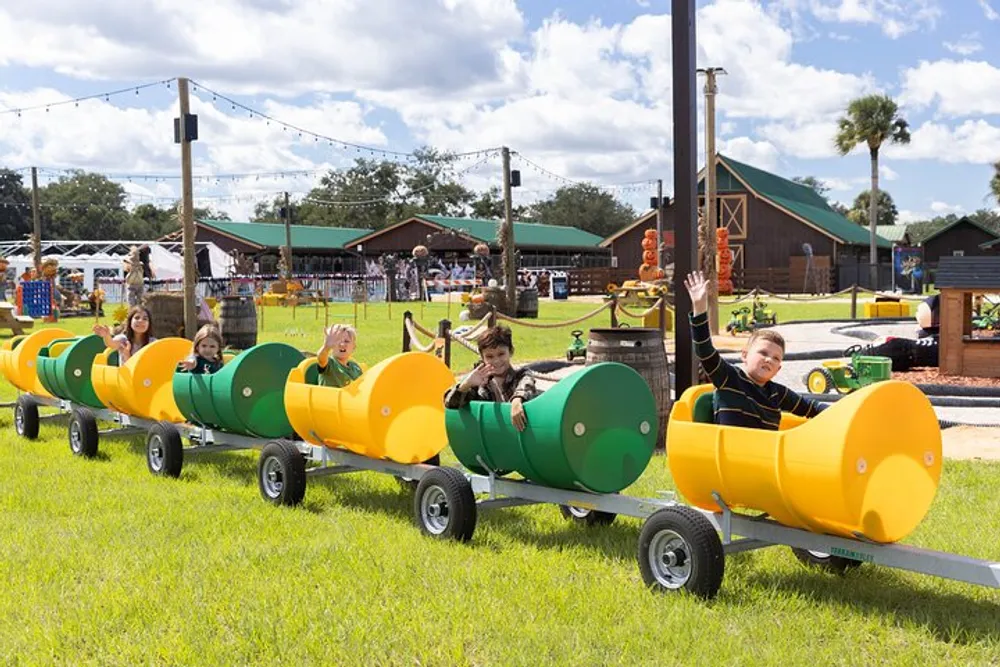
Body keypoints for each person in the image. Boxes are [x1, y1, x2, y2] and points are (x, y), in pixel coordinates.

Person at [685, 271, 826, 429]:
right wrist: (699, 308)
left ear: (778, 369)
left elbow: (810, 407)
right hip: (731, 451)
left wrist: (844, 410)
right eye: (763, 353)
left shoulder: (776, 393)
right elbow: (705, 351)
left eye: (775, 358)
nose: (769, 360)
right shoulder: (729, 378)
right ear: (744, 355)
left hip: (765, 452)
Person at [443, 325, 539, 432]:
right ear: (482, 357)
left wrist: (517, 401)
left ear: (510, 351)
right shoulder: (480, 382)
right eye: (490, 357)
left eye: (501, 354)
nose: (496, 361)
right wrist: (466, 384)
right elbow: (450, 404)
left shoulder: (522, 375)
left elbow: (526, 384)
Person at [93, 305, 157, 365]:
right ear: (130, 321)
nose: (141, 321)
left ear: (149, 324)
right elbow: (111, 343)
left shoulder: (153, 342)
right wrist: (106, 335)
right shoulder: (123, 339)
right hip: (125, 376)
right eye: (137, 318)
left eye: (145, 319)